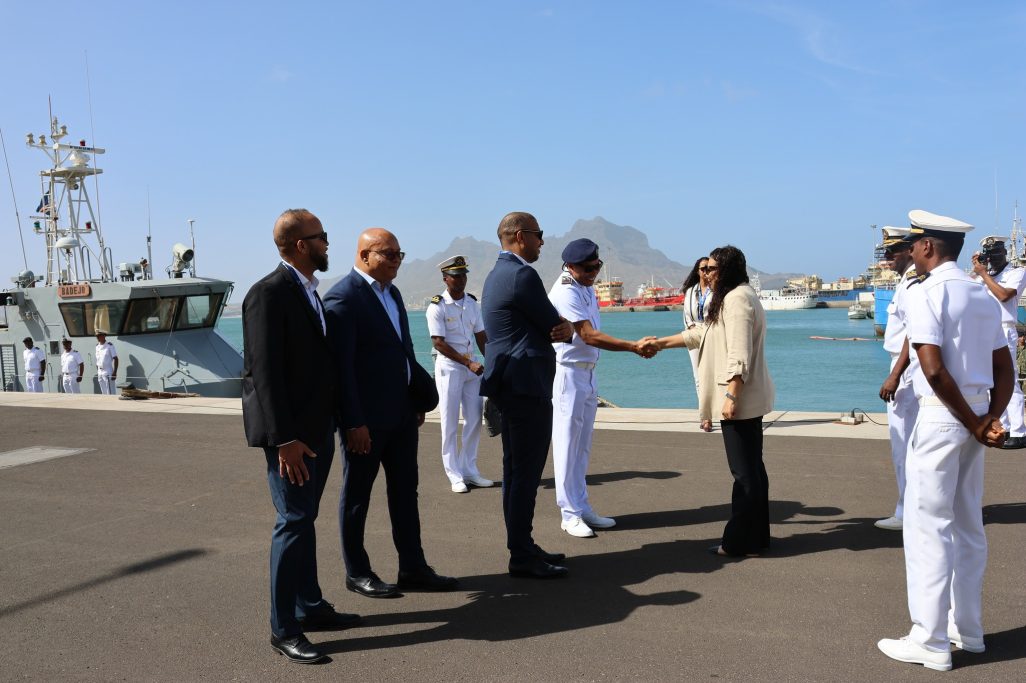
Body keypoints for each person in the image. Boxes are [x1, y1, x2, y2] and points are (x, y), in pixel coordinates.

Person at [877, 210, 1011, 672]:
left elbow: (932, 369)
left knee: (926, 526)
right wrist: (988, 418)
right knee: (967, 524)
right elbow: (1004, 368)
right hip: (974, 413)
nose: (909, 253)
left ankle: (930, 640)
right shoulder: (979, 294)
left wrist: (974, 423)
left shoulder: (925, 292)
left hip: (941, 417)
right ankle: (967, 630)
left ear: (929, 247)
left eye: (913, 245)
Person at [242, 208, 357, 665]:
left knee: (304, 519)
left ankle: (309, 607)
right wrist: (284, 438)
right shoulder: (268, 294)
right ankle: (283, 628)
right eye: (321, 236)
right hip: (292, 438)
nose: (328, 243)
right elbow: (263, 374)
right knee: (291, 522)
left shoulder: (310, 291)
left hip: (317, 430)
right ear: (299, 245)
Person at [323, 228, 458, 599]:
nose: (397, 261)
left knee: (405, 491)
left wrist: (415, 400)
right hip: (365, 421)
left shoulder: (393, 293)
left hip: (400, 414)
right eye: (389, 255)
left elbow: (403, 350)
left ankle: (412, 566)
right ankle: (357, 571)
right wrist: (352, 421)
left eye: (400, 254)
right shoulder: (342, 298)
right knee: (357, 496)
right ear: (365, 255)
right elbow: (342, 369)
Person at [645, 245, 774, 557]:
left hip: (739, 400)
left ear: (727, 270)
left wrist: (731, 396)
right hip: (745, 397)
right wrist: (659, 343)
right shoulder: (731, 297)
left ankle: (738, 542)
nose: (707, 274)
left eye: (713, 269)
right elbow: (701, 333)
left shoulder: (736, 299)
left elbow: (738, 353)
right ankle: (757, 538)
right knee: (752, 469)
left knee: (744, 474)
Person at [480, 211, 574, 578]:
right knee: (525, 474)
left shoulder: (495, 275)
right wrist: (564, 329)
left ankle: (522, 545)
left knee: (515, 471)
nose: (542, 241)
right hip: (526, 387)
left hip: (510, 386)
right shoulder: (522, 275)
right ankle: (520, 554)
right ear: (520, 236)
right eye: (538, 235)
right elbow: (555, 324)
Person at [548, 238, 657, 539]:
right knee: (567, 446)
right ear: (570, 266)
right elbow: (588, 335)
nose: (594, 271)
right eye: (588, 267)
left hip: (588, 375)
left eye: (597, 266)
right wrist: (633, 347)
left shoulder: (586, 287)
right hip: (569, 375)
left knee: (582, 446)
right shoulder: (566, 290)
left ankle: (582, 506)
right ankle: (568, 514)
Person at [426, 255, 492, 493]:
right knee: (450, 422)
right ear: (446, 279)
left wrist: (492, 363)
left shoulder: (473, 304)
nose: (461, 279)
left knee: (475, 418)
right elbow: (439, 343)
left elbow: (482, 337)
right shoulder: (437, 306)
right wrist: (467, 363)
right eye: (456, 276)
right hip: (450, 368)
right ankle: (454, 474)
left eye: (463, 274)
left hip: (471, 368)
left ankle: (470, 469)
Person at [875, 226, 918, 531]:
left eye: (892, 251)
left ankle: (907, 512)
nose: (887, 257)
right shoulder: (907, 281)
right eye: (886, 252)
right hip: (904, 368)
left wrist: (894, 374)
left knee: (903, 443)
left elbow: (913, 334)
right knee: (907, 443)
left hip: (905, 372)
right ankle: (912, 507)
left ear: (910, 250)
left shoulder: (913, 282)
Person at [970, 235, 1026, 449]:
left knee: (1008, 380)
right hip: (984, 331)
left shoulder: (1016, 272)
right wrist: (977, 271)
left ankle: (1019, 431)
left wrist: (984, 274)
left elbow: (1004, 295)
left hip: (1004, 329)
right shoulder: (985, 275)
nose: (992, 258)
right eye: (989, 254)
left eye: (996, 253)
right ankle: (1006, 426)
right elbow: (967, 291)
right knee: (991, 381)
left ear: (1005, 252)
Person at [681, 256, 714, 432]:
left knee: (714, 375)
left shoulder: (716, 290)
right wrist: (691, 327)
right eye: (703, 268)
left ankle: (720, 411)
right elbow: (687, 314)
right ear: (697, 271)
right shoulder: (690, 291)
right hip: (694, 335)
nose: (706, 272)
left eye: (709, 268)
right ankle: (705, 417)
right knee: (698, 377)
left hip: (712, 335)